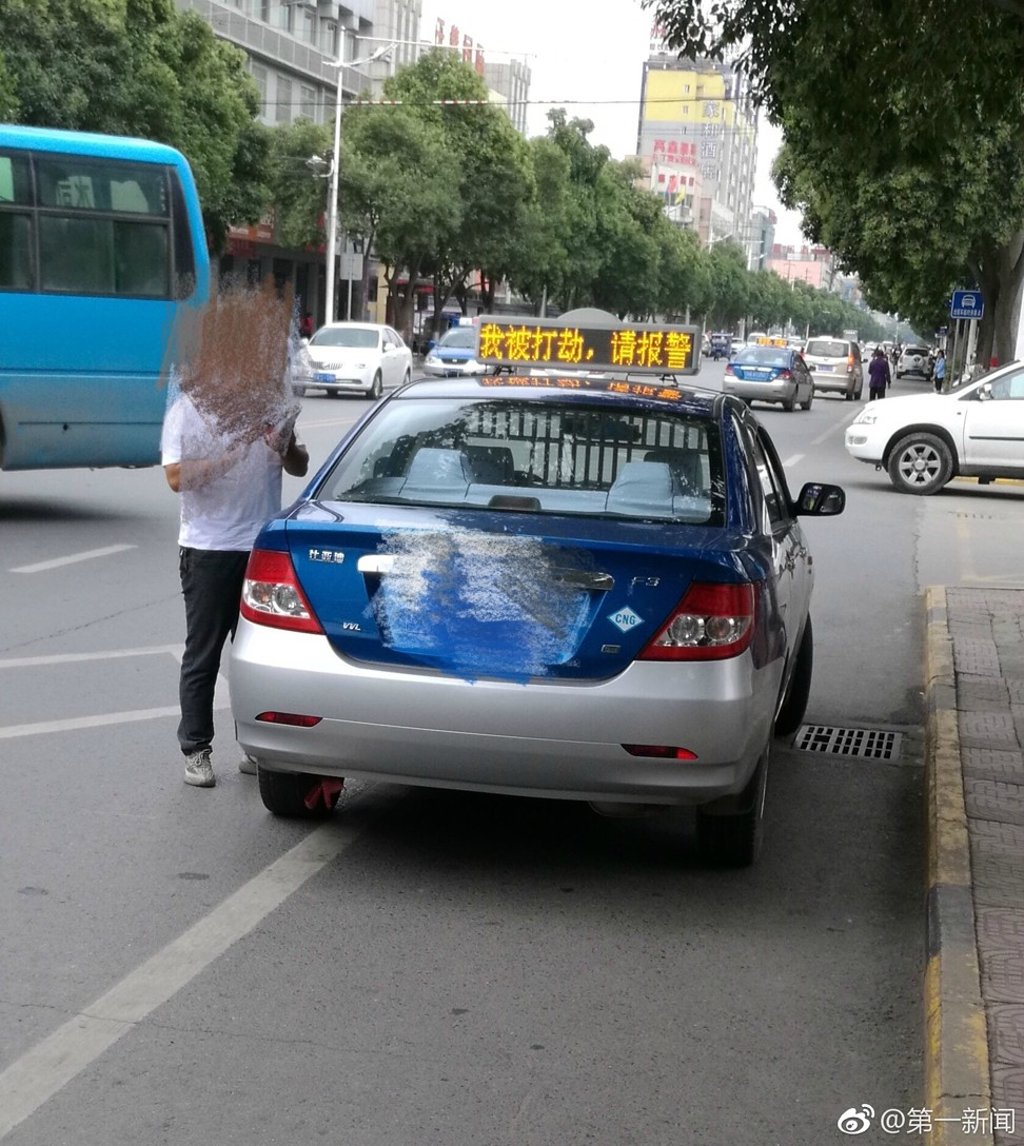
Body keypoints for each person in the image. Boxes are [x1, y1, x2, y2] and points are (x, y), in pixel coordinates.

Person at [162, 326, 309, 789]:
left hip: (260, 550)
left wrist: (285, 446)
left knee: (258, 655)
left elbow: (300, 465)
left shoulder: (270, 409)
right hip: (208, 550)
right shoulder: (187, 411)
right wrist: (229, 456)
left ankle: (256, 746)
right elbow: (175, 477)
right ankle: (196, 749)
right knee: (203, 655)